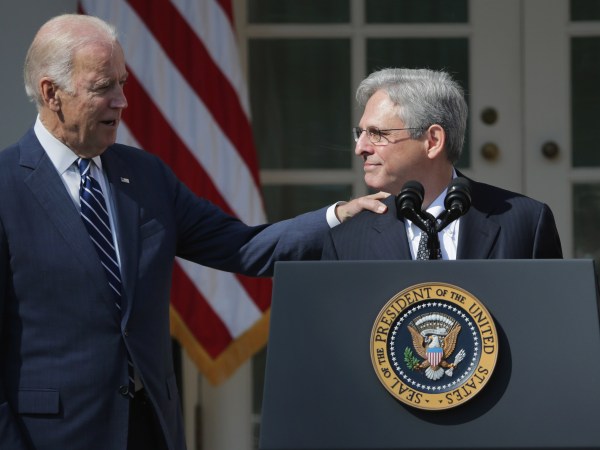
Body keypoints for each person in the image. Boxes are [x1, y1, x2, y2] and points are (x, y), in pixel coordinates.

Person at [0, 14, 388, 450]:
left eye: (122, 83)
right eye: (103, 87)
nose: (121, 101)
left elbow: (243, 247)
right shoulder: (6, 186)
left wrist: (335, 217)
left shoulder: (144, 175)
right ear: (52, 93)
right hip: (52, 435)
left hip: (152, 429)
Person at [321, 68, 562, 260]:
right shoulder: (347, 239)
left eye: (377, 133)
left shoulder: (525, 222)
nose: (360, 148)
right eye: (360, 133)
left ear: (432, 141)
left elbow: (551, 315)